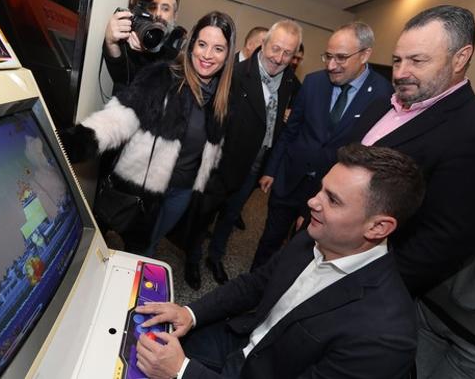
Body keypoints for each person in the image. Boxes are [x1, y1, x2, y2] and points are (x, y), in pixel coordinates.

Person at [133, 144, 426, 379]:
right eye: (321, 189)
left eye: (333, 200)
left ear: (378, 228)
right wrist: (190, 312)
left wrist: (183, 372)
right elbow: (256, 284)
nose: (312, 201)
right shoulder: (314, 234)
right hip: (240, 342)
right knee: (133, 349)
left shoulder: (384, 336)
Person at [346, 5, 475, 376]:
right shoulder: (387, 102)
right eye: (396, 60)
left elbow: (446, 238)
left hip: (373, 284)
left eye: (417, 60)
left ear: (461, 57)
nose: (400, 72)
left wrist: (362, 284)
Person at [62, 11, 237, 255]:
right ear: (191, 45)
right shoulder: (164, 76)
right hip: (142, 190)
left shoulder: (223, 100)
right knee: (108, 249)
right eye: (202, 44)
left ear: (228, 55)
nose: (207, 55)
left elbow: (214, 151)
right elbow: (120, 117)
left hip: (182, 193)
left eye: (218, 48)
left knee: (150, 247)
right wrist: (66, 144)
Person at [251, 21, 393, 270]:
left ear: (365, 55)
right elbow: (290, 131)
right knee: (269, 241)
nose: (331, 65)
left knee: (305, 252)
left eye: (341, 58)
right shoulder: (314, 82)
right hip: (289, 179)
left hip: (330, 193)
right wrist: (271, 170)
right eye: (328, 56)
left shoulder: (382, 95)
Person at [183, 20, 302, 290]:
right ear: (264, 44)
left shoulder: (290, 82)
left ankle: (216, 256)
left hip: (255, 164)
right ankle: (192, 259)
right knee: (206, 214)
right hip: (224, 161)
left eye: (287, 53)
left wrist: (269, 167)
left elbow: (280, 128)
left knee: (231, 215)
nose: (279, 58)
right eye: (275, 49)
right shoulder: (235, 73)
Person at [103, 0, 185, 94]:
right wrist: (111, 42)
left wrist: (150, 50)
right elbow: (120, 78)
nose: (158, 13)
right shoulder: (130, 37)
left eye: (165, 9)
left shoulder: (178, 56)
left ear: (175, 16)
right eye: (153, 7)